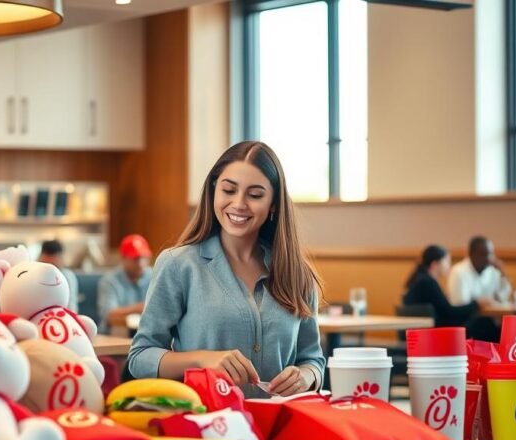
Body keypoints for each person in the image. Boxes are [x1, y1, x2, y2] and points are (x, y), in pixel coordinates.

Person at [128, 141, 325, 397]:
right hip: (209, 427)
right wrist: (202, 360)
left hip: (281, 427)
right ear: (213, 192)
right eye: (229, 190)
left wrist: (306, 376)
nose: (239, 204)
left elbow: (313, 360)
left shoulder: (298, 274)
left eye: (255, 195)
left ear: (274, 203)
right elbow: (140, 357)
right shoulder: (179, 265)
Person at [403, 245, 498, 340]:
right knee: (485, 324)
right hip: (435, 334)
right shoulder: (428, 282)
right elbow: (449, 312)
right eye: (447, 261)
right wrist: (476, 303)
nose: (449, 265)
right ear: (435, 264)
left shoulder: (421, 280)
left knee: (482, 323)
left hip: (429, 331)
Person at [97, 234, 153, 333]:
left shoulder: (154, 276)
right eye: (135, 259)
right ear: (123, 259)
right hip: (115, 334)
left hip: (147, 333)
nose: (140, 263)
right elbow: (109, 316)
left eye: (144, 258)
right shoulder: (110, 280)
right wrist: (139, 308)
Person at [448, 235, 510, 306]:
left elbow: (503, 298)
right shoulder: (458, 271)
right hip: (467, 316)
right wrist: (480, 302)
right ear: (472, 254)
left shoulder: (493, 271)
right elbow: (460, 303)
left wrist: (503, 274)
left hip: (490, 315)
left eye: (491, 254)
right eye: (484, 254)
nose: (489, 258)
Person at [38, 239, 79, 312]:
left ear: (61, 259)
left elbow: (71, 307)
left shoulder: (68, 276)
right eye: (48, 264)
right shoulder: (35, 275)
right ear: (40, 258)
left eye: (54, 265)